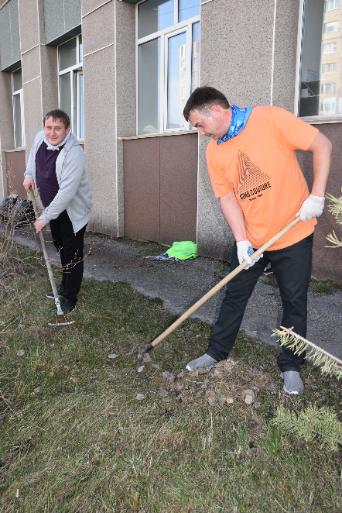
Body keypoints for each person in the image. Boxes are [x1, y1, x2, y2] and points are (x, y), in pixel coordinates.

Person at [183, 87, 332, 395]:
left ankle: (291, 365)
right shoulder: (214, 150)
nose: (200, 133)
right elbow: (226, 198)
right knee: (234, 294)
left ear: (217, 111)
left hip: (293, 232)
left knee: (294, 301)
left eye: (199, 124)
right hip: (252, 239)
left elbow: (322, 144)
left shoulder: (270, 119)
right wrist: (241, 241)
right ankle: (216, 352)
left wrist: (316, 195)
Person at [23, 109, 92, 314]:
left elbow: (67, 193)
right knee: (61, 246)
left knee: (73, 252)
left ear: (67, 130)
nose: (52, 133)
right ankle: (63, 285)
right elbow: (32, 158)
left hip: (72, 210)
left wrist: (44, 218)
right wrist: (29, 174)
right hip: (52, 207)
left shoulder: (74, 153)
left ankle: (70, 297)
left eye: (58, 129)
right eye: (49, 127)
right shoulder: (40, 137)